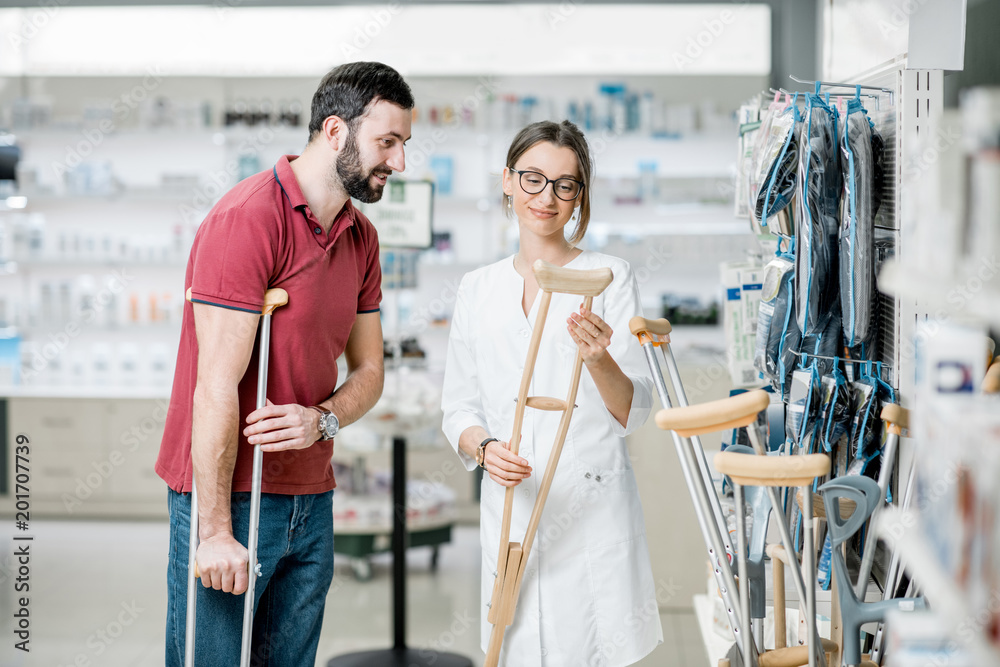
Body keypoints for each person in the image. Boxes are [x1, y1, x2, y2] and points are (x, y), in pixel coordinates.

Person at [156, 61, 413, 666]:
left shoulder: (361, 237)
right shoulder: (247, 219)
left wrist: (322, 419)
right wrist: (215, 530)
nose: (399, 163)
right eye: (387, 142)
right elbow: (215, 387)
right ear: (334, 131)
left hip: (311, 494)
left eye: (404, 145)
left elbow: (370, 373)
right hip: (233, 494)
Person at [441, 120, 664, 666]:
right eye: (534, 179)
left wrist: (598, 358)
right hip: (513, 507)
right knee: (514, 648)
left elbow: (633, 409)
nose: (547, 197)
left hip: (590, 507)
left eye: (565, 185)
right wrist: (484, 449)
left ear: (580, 196)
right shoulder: (478, 288)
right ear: (508, 182)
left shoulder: (608, 276)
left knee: (590, 647)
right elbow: (458, 406)